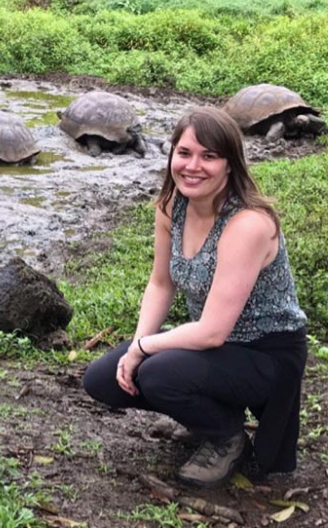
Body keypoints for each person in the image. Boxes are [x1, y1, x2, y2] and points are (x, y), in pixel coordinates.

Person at [82, 106, 308, 489]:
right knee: (104, 379)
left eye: (209, 156)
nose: (193, 166)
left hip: (266, 355)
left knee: (156, 372)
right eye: (184, 153)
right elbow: (161, 284)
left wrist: (142, 349)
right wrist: (137, 343)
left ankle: (226, 437)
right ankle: (213, 414)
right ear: (171, 154)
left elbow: (211, 333)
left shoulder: (247, 224)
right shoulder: (173, 205)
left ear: (230, 165)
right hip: (217, 350)